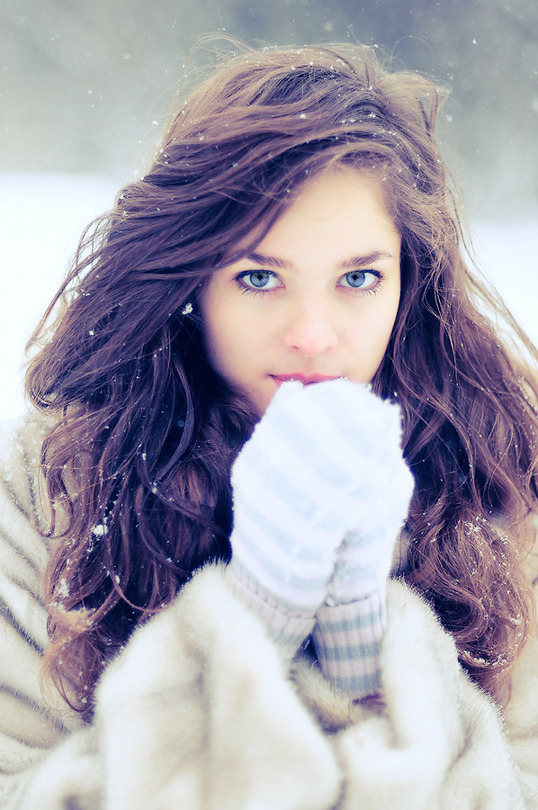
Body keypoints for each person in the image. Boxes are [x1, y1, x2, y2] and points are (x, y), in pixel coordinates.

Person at [1, 41, 538, 810]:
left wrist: (366, 656)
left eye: (358, 278)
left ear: (409, 283)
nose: (312, 333)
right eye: (259, 277)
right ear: (192, 282)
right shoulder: (51, 488)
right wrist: (252, 623)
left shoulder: (508, 487)